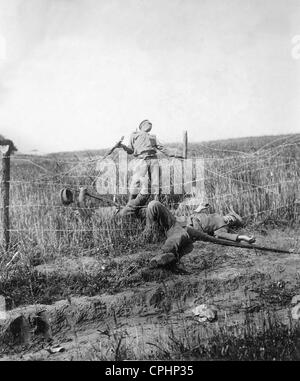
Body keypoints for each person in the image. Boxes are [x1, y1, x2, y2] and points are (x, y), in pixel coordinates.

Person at [118, 194, 255, 268]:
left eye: (232, 220)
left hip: (185, 229)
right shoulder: (215, 214)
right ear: (228, 214)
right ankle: (139, 225)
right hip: (176, 220)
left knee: (177, 238)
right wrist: (199, 208)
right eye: (231, 217)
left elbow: (224, 236)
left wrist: (243, 237)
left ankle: (165, 255)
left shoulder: (222, 227)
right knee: (153, 204)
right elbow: (192, 216)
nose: (229, 219)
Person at [118, 120, 183, 199]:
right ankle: (130, 204)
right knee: (136, 181)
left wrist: (176, 154)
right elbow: (130, 150)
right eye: (148, 123)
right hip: (141, 160)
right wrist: (123, 146)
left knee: (155, 183)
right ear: (141, 126)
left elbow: (162, 148)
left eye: (150, 124)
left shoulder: (152, 137)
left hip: (153, 160)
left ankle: (156, 203)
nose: (150, 125)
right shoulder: (134, 135)